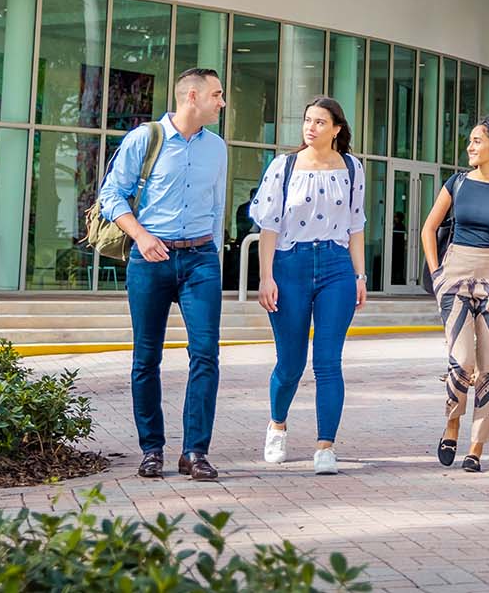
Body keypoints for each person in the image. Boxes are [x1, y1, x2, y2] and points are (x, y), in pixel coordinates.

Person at [99, 67, 229, 481]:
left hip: (200, 258)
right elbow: (110, 196)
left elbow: (216, 205)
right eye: (217, 95)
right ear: (192, 96)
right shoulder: (145, 138)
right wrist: (140, 236)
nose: (222, 103)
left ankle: (195, 451)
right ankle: (151, 449)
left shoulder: (218, 148)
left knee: (206, 353)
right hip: (149, 259)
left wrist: (213, 249)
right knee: (146, 358)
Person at [252, 97, 367, 474]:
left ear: (336, 128)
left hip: (336, 267)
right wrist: (266, 276)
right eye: (307, 120)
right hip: (289, 265)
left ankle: (325, 447)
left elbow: (355, 226)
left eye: (320, 121)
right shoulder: (283, 166)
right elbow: (268, 225)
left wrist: (359, 275)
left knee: (328, 362)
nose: (311, 127)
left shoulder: (352, 167)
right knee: (290, 363)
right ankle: (277, 425)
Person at [420, 115, 489, 473]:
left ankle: (476, 446)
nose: (470, 147)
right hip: (454, 275)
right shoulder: (457, 183)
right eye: (469, 141)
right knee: (462, 361)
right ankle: (452, 422)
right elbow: (429, 229)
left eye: (476, 141)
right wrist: (437, 274)